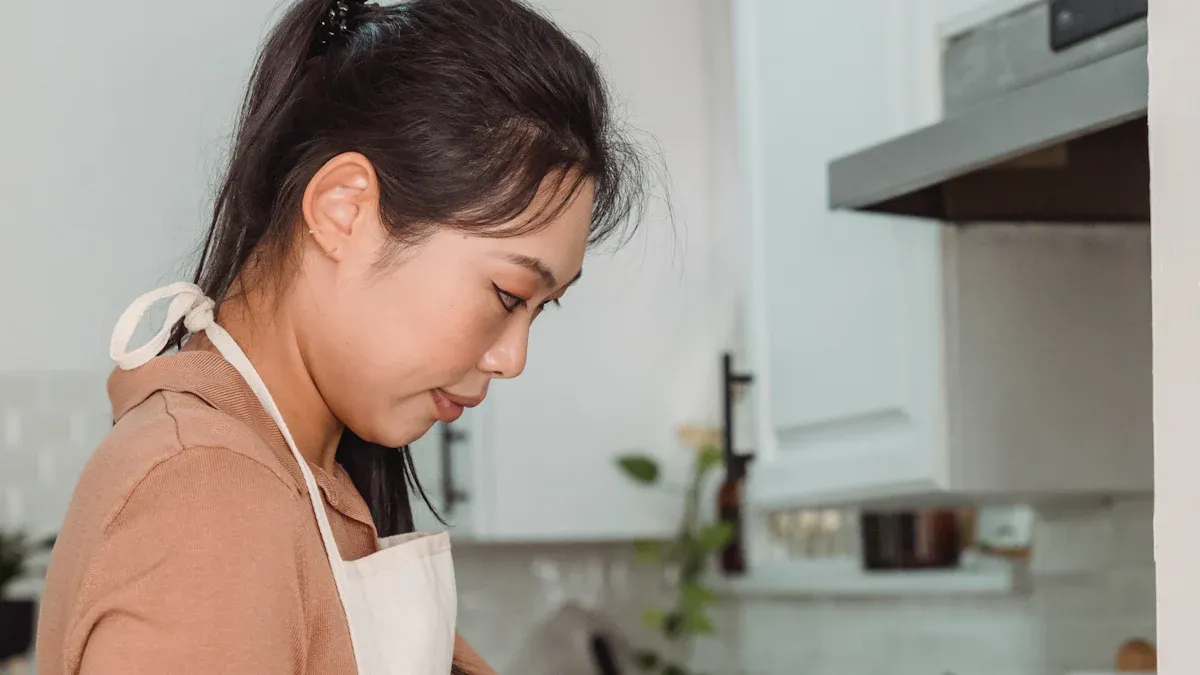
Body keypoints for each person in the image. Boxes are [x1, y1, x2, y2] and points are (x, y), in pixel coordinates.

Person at [36, 0, 651, 673]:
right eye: (507, 295)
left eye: (541, 310)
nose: (512, 358)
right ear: (344, 210)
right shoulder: (208, 494)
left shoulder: (305, 479)